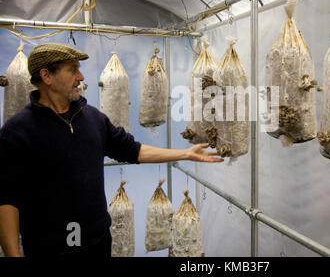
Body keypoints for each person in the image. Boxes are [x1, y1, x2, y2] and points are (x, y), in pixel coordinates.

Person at [0, 42, 223, 257]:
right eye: (73, 70)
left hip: (97, 242)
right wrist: (12, 253)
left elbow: (133, 150)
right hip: (49, 247)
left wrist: (185, 153)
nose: (81, 77)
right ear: (47, 76)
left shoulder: (93, 118)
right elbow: (7, 197)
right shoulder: (18, 130)